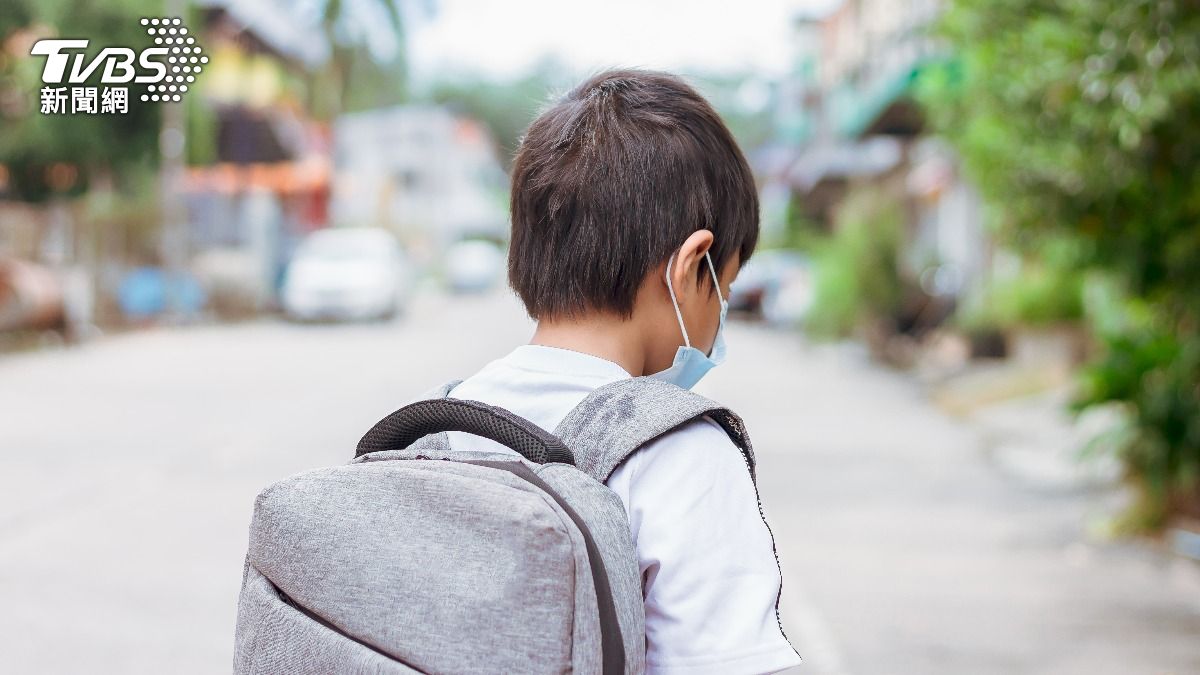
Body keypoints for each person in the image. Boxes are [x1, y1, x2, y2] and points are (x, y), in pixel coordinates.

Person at [444, 68, 802, 674]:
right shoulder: (678, 455)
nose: (720, 319)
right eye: (726, 288)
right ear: (690, 268)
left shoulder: (437, 430)